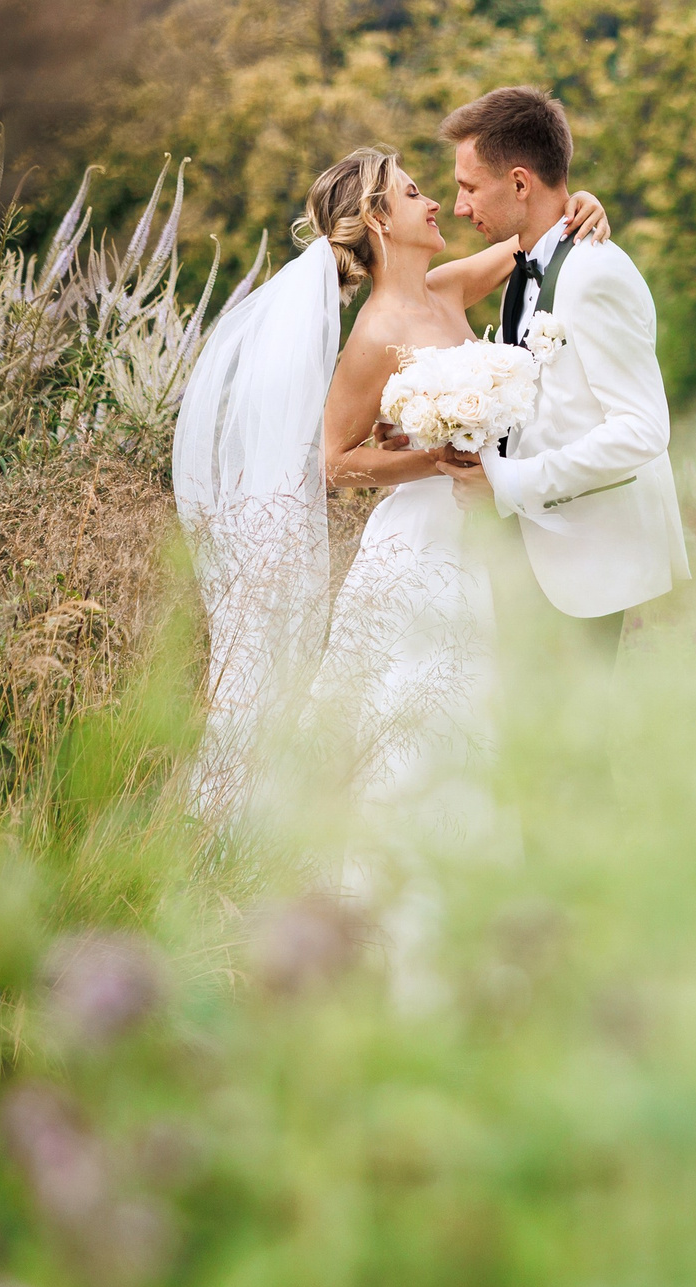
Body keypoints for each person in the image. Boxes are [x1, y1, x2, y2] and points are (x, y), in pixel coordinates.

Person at [170, 144, 609, 820]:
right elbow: (331, 460)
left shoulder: (446, 287)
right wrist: (428, 461)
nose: (436, 203)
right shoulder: (373, 334)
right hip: (420, 542)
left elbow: (534, 240)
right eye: (412, 194)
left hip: (480, 528)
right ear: (378, 218)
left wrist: (581, 207)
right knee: (421, 709)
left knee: (481, 701)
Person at [388, 86, 691, 657]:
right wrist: (434, 429)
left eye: (469, 187)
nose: (457, 206)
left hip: (582, 557)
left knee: (573, 745)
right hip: (529, 549)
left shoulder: (593, 274)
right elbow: (532, 402)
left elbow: (643, 429)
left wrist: (509, 483)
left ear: (521, 183)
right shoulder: (528, 265)